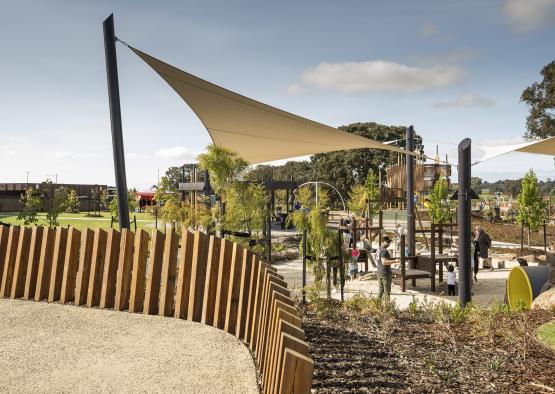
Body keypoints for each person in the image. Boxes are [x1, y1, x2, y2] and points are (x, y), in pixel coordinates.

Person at [376, 236, 398, 301]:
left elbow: (381, 260)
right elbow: (384, 262)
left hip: (379, 272)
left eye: (389, 242)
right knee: (387, 292)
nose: (389, 244)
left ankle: (377, 305)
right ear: (382, 242)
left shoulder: (378, 249)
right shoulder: (384, 251)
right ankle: (386, 308)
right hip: (385, 273)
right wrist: (394, 261)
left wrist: (392, 259)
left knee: (381, 290)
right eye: (387, 242)